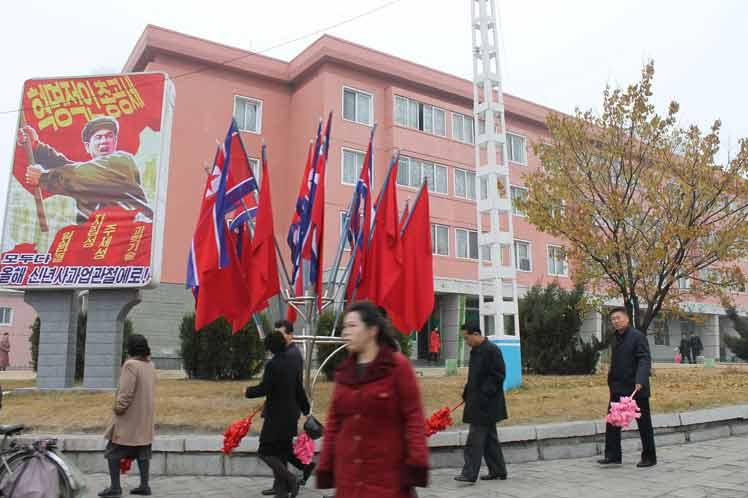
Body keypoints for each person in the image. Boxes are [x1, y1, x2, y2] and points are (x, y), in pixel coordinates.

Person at [316, 300, 429, 498]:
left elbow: (414, 417)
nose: (345, 332)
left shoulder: (397, 367)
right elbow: (334, 422)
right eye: (344, 327)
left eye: (352, 326)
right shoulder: (344, 372)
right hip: (349, 480)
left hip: (386, 480)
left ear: (372, 330)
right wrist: (325, 465)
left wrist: (417, 462)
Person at [17, 116, 153, 224]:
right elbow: (68, 168)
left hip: (136, 235)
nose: (104, 141)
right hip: (101, 243)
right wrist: (36, 147)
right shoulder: (86, 176)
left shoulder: (122, 160)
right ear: (88, 147)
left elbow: (78, 175)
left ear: (115, 141)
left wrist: (43, 178)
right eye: (98, 137)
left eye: (109, 136)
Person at [246, 331, 310, 498]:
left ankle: (291, 479)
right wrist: (306, 409)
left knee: (265, 451)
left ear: (270, 348)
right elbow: (299, 389)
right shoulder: (292, 363)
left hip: (276, 417)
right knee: (281, 453)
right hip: (291, 415)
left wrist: (248, 391)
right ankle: (281, 493)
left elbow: (265, 388)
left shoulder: (273, 365)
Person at [99, 335, 157, 497]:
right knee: (143, 450)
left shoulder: (130, 365)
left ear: (130, 348)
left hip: (129, 418)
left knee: (113, 451)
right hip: (145, 416)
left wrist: (118, 408)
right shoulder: (150, 365)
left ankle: (115, 488)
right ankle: (144, 486)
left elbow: (126, 393)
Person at [599, 307, 656, 468]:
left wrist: (641, 380)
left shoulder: (638, 337)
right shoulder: (615, 337)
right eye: (612, 319)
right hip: (617, 386)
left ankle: (649, 457)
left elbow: (644, 359)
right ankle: (612, 455)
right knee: (613, 421)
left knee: (644, 424)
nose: (615, 321)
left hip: (636, 388)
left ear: (627, 318)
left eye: (618, 318)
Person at [262, 320, 315, 494]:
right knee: (281, 450)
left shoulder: (291, 355)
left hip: (283, 412)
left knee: (273, 450)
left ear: (290, 335)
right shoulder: (285, 353)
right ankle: (282, 486)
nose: (278, 337)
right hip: (285, 410)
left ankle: (286, 483)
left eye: (281, 333)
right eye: (276, 333)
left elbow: (293, 386)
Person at [454, 323, 508, 484]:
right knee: (490, 440)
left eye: (467, 337)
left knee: (474, 440)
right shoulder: (476, 351)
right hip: (478, 401)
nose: (466, 341)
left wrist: (483, 394)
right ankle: (498, 471)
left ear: (476, 334)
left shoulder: (491, 350)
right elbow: (474, 378)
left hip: (486, 404)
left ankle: (469, 473)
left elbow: (498, 375)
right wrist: (467, 393)